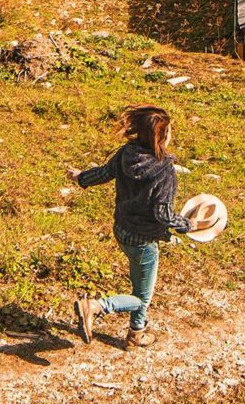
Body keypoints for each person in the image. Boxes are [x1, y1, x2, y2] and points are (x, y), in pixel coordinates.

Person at [70, 105, 191, 349]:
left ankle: (137, 333)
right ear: (162, 135)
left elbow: (104, 173)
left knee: (140, 286)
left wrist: (81, 177)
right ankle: (95, 306)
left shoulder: (127, 153)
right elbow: (162, 213)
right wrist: (188, 224)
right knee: (142, 297)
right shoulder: (164, 169)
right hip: (143, 240)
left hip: (122, 230)